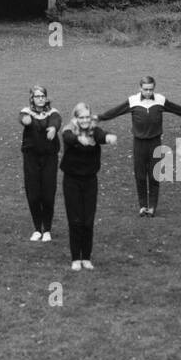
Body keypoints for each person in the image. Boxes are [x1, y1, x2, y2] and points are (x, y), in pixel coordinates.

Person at [98, 76, 181, 216]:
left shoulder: (160, 100)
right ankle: (143, 206)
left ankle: (152, 207)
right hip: (139, 143)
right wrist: (100, 117)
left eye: (151, 89)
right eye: (145, 89)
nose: (148, 92)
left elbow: (176, 109)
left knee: (154, 175)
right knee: (140, 175)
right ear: (140, 88)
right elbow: (115, 111)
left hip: (155, 143)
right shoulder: (133, 101)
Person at [59, 103, 116, 270]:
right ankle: (75, 258)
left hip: (90, 181)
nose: (85, 120)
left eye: (87, 117)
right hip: (72, 181)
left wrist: (108, 138)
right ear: (75, 118)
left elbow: (101, 136)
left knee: (88, 220)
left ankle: (86, 257)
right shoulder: (68, 130)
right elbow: (68, 138)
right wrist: (79, 139)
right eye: (81, 117)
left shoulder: (94, 130)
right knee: (75, 220)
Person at [20, 85, 62, 241]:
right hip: (31, 158)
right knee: (33, 194)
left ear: (46, 97)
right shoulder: (26, 112)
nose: (40, 99)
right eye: (37, 96)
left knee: (48, 194)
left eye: (42, 96)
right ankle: (37, 228)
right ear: (32, 98)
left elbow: (56, 120)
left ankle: (47, 229)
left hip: (49, 158)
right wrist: (25, 120)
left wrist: (53, 128)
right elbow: (23, 118)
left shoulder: (52, 112)